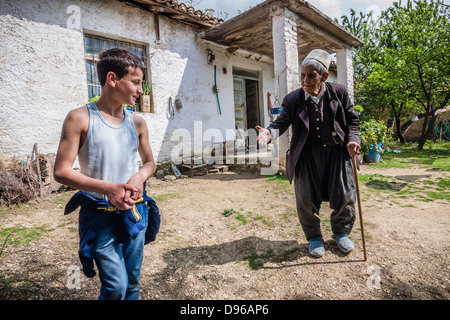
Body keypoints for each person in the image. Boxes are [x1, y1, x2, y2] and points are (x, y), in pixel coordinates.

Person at [54, 48, 157, 299]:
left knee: (132, 283)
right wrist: (108, 189)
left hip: (134, 212)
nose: (140, 90)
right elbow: (61, 171)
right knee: (115, 287)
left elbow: (150, 163)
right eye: (135, 82)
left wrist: (139, 177)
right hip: (98, 216)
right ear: (112, 79)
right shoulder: (79, 118)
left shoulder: (137, 123)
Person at [256, 49, 361, 258]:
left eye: (311, 76)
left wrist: (353, 139)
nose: (305, 80)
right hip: (306, 154)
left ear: (324, 77)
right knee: (305, 197)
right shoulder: (293, 99)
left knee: (345, 194)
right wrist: (269, 133)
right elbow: (281, 122)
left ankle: (341, 233)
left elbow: (353, 121)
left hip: (337, 152)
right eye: (302, 75)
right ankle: (314, 237)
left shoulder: (338, 92)